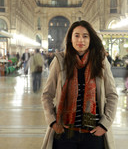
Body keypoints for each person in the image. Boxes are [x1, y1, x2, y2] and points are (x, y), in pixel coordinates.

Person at [41, 20, 118, 149]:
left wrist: (105, 124)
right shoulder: (60, 61)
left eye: (85, 36)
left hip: (93, 133)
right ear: (70, 39)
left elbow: (112, 95)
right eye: (76, 35)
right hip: (65, 132)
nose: (80, 40)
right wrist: (53, 122)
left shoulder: (101, 61)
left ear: (90, 39)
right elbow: (47, 95)